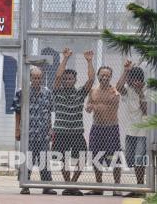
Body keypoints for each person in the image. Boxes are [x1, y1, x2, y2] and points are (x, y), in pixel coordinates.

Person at [52, 48, 95, 196]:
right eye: (65, 78)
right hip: (61, 132)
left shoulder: (80, 93)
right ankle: (67, 183)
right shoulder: (57, 92)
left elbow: (91, 80)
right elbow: (57, 77)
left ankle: (73, 184)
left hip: (77, 133)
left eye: (70, 78)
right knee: (61, 160)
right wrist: (65, 58)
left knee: (81, 158)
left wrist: (89, 61)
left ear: (75, 80)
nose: (67, 80)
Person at [12, 65, 57, 195]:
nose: (37, 80)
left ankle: (47, 186)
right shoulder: (22, 92)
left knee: (44, 159)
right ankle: (25, 185)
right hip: (28, 133)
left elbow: (49, 112)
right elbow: (18, 112)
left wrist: (50, 129)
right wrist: (17, 129)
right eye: (35, 77)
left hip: (43, 133)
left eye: (39, 78)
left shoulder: (47, 92)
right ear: (30, 78)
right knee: (27, 159)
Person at [85, 66, 122, 196]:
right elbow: (88, 107)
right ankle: (99, 186)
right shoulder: (93, 91)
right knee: (96, 157)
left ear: (111, 77)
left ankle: (116, 187)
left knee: (115, 158)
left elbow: (121, 86)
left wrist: (125, 70)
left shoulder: (114, 91)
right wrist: (89, 108)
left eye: (107, 75)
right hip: (97, 128)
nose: (105, 77)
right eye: (102, 75)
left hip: (111, 128)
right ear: (98, 76)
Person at [117, 61, 147, 198]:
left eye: (136, 80)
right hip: (130, 131)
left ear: (141, 81)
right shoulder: (128, 90)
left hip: (143, 132)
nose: (133, 83)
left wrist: (140, 92)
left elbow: (146, 111)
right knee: (130, 160)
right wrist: (126, 70)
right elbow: (118, 87)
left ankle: (140, 189)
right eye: (131, 80)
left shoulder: (147, 91)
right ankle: (138, 188)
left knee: (139, 160)